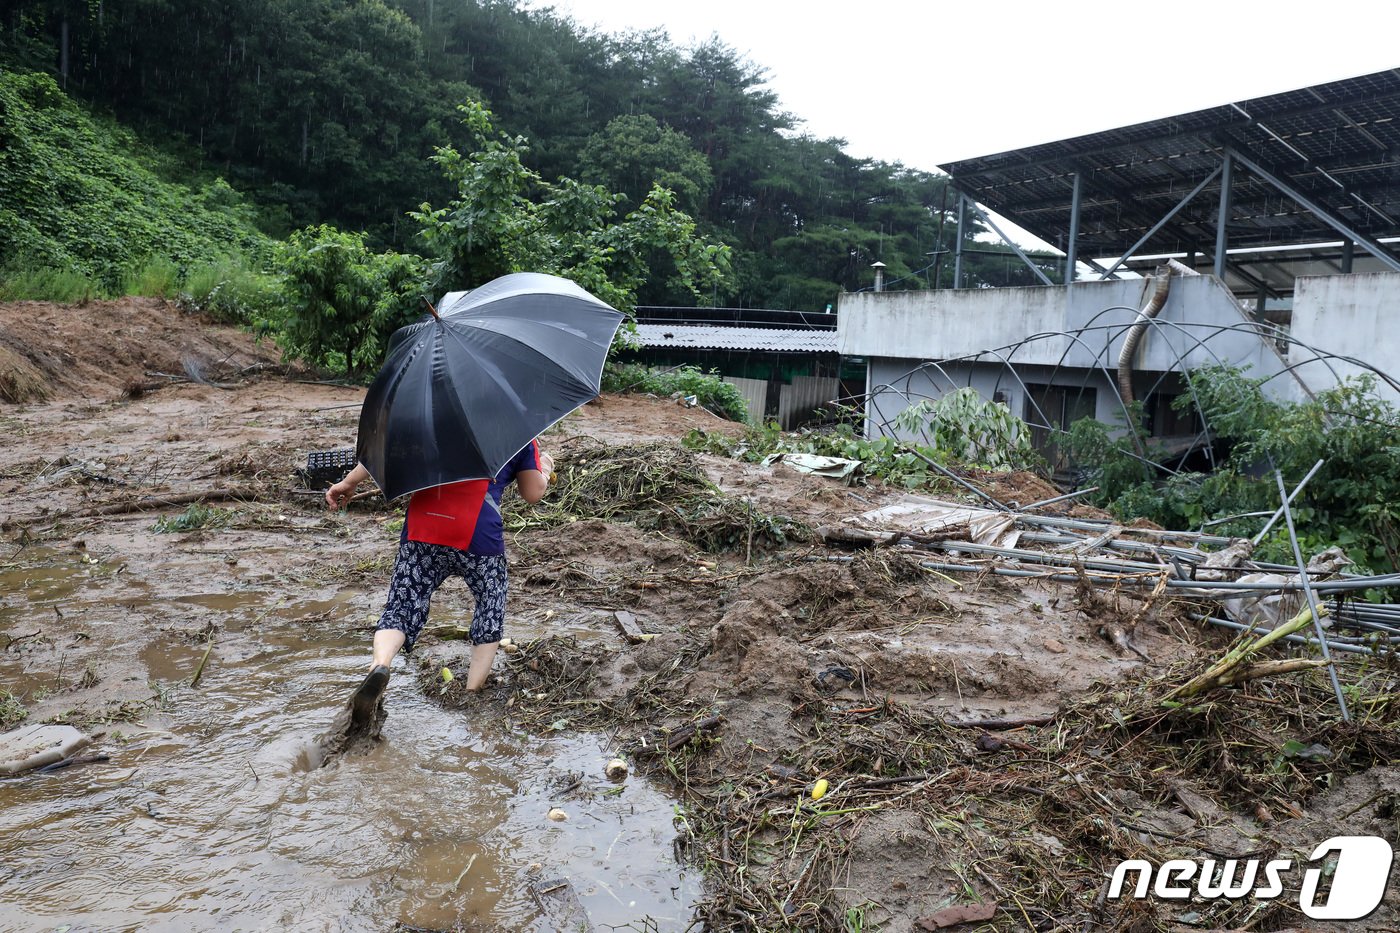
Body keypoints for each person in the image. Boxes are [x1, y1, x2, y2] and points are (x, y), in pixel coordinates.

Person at [325, 441, 554, 729]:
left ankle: (380, 664)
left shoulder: (425, 418)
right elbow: (532, 493)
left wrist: (348, 482)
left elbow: (382, 452)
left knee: (402, 604)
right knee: (489, 604)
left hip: (424, 526)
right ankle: (471, 693)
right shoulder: (516, 431)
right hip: (478, 535)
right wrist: (544, 468)